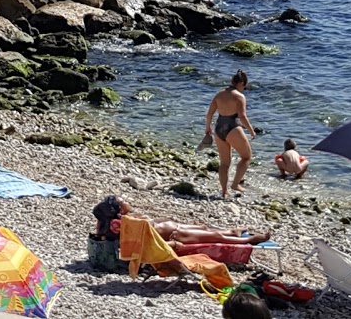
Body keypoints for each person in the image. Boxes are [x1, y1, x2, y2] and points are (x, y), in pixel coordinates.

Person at [95, 196, 272, 246]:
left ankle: (233, 232)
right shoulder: (126, 223)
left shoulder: (126, 220)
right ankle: (249, 240)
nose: (125, 200)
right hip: (175, 235)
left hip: (175, 228)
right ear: (117, 209)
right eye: (121, 201)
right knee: (216, 236)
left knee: (204, 227)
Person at [205, 70, 256, 197]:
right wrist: (251, 130)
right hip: (232, 127)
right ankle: (235, 184)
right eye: (244, 86)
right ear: (241, 83)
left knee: (224, 163)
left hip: (219, 127)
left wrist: (208, 128)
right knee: (246, 157)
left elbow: (210, 113)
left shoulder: (219, 94)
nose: (244, 89)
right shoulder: (239, 97)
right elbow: (242, 117)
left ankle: (224, 191)